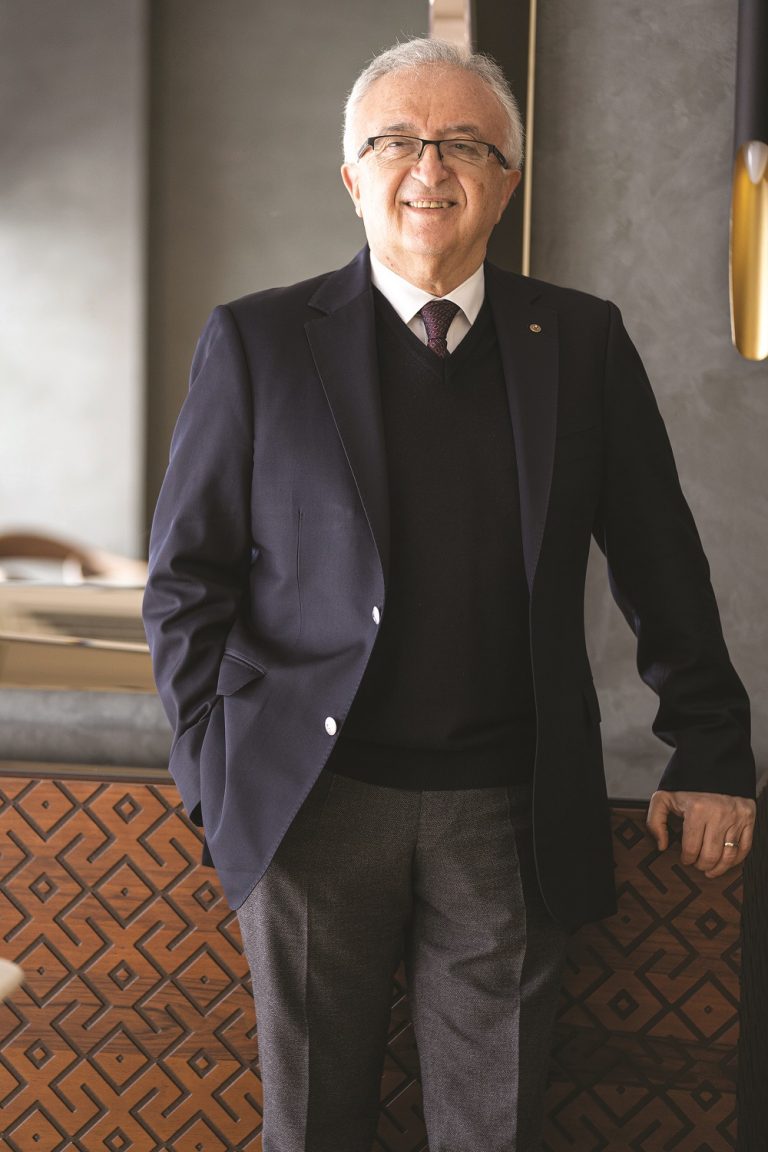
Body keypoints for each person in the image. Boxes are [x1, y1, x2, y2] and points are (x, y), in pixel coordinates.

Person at [143, 37, 757, 1152]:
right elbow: (187, 580)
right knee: (314, 1128)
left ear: (506, 182)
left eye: (466, 145)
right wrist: (209, 770)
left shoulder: (580, 340)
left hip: (507, 809)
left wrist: (712, 745)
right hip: (311, 802)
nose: (429, 168)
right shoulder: (259, 340)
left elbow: (661, 558)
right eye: (397, 142)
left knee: (493, 1129)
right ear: (352, 176)